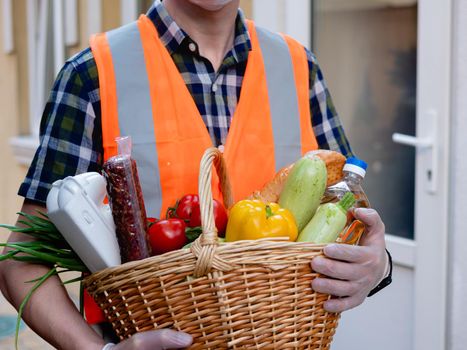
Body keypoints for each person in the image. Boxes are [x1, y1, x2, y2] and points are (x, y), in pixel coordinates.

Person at [0, 0, 391, 349]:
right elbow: (20, 261)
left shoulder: (299, 68)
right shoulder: (92, 75)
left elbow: (350, 213)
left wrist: (376, 265)